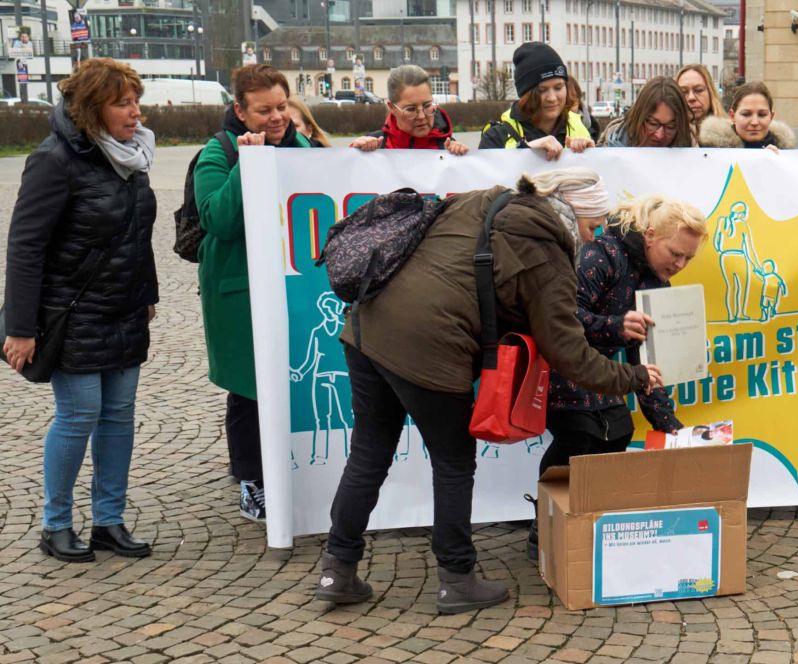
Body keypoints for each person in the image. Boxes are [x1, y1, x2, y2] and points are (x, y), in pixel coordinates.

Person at [315, 167, 664, 614]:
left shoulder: (489, 199)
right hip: (428, 344)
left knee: (369, 451)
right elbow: (570, 355)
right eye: (592, 225)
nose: (593, 236)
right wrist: (634, 379)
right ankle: (457, 580)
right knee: (454, 461)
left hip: (366, 326)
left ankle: (337, 569)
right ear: (571, 213)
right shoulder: (547, 253)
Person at [3, 58, 158, 562]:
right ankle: (56, 524)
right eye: (122, 103)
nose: (135, 112)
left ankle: (109, 522)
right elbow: (25, 246)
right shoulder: (54, 160)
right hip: (70, 313)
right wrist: (20, 327)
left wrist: (148, 293)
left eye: (136, 101)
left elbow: (137, 232)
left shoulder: (132, 156)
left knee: (119, 416)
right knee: (79, 415)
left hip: (124, 307)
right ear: (92, 110)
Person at [527, 195, 707, 559]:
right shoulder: (601, 254)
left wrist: (669, 427)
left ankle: (589, 524)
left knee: (619, 431)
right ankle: (544, 525)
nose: (680, 264)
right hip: (561, 366)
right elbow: (559, 317)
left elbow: (649, 365)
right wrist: (614, 326)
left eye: (689, 258)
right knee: (580, 434)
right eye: (675, 253)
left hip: (606, 375)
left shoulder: (657, 283)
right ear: (651, 235)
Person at [194, 64, 312, 523]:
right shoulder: (216, 152)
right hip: (238, 291)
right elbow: (217, 220)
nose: (277, 116)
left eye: (282, 106)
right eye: (264, 110)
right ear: (241, 112)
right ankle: (250, 480)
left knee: (287, 381)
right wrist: (248, 165)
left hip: (290, 285)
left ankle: (289, 468)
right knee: (250, 389)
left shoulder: (297, 146)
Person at [479, 42, 594, 160]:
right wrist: (525, 150)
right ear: (526, 94)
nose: (552, 98)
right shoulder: (496, 137)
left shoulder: (580, 129)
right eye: (542, 90)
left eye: (558, 87)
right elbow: (483, 177)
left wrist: (592, 156)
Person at [349, 65, 467, 154]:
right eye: (411, 109)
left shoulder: (448, 148)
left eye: (427, 106)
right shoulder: (375, 146)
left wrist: (460, 161)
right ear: (392, 108)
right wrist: (355, 153)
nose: (421, 116)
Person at [699, 81, 796, 150]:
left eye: (762, 115)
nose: (754, 122)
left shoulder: (787, 155)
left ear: (771, 117)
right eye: (746, 114)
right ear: (732, 116)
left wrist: (777, 164)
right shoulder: (708, 151)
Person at [601, 76, 694, 148]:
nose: (660, 135)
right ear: (638, 117)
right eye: (653, 124)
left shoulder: (695, 150)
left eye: (670, 127)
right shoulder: (612, 142)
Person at [676, 64, 727, 143]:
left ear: (710, 92)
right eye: (683, 92)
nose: (691, 97)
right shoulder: (666, 137)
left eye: (699, 90)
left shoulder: (731, 133)